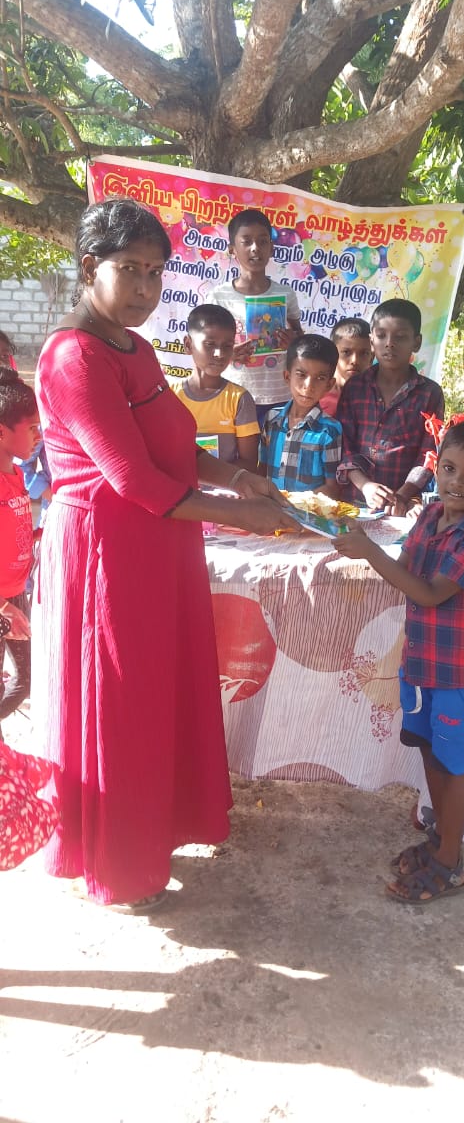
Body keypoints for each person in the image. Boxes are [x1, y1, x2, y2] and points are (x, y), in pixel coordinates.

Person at [32, 198, 297, 911]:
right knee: (121, 707)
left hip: (161, 542)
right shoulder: (73, 356)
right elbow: (133, 478)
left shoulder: (134, 347)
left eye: (155, 272)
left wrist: (237, 477)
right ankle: (118, 863)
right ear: (90, 266)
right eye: (130, 270)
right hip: (108, 553)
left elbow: (177, 444)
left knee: (159, 695)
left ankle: (155, 831)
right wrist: (248, 517)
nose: (146, 288)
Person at [334, 418, 464, 903]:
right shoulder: (430, 517)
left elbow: (429, 593)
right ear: (437, 468)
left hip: (455, 677)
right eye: (449, 468)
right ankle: (439, 842)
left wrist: (368, 552)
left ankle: (450, 863)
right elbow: (404, 567)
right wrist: (361, 542)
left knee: (453, 768)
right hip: (419, 668)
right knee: (431, 755)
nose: (456, 482)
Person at [336, 299, 444, 514]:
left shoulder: (429, 393)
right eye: (381, 335)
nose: (389, 343)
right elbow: (343, 444)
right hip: (354, 501)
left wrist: (401, 496)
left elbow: (428, 453)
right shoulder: (355, 388)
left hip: (403, 506)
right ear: (371, 341)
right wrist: (365, 486)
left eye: (400, 337)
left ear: (417, 342)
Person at [204, 208, 302, 423]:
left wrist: (293, 342)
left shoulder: (285, 294)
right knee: (237, 445)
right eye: (246, 241)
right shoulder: (218, 296)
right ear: (232, 249)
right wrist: (228, 354)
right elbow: (206, 349)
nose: (255, 248)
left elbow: (301, 339)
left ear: (271, 248)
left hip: (279, 395)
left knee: (273, 446)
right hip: (235, 394)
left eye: (263, 241)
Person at [170, 304, 259, 470]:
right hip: (181, 485)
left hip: (225, 487)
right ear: (188, 345)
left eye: (227, 346)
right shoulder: (170, 396)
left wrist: (211, 481)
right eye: (210, 344)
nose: (219, 354)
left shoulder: (239, 399)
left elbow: (249, 463)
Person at [0, 368, 39, 729]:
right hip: (2, 603)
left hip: (17, 594)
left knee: (27, 680)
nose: (38, 436)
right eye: (31, 428)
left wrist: (41, 534)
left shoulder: (17, 474)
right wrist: (3, 609)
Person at [260, 334, 342, 498]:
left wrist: (295, 503)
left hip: (308, 511)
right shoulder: (271, 419)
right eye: (301, 374)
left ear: (329, 385)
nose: (308, 386)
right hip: (270, 508)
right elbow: (262, 470)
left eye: (320, 378)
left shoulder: (329, 430)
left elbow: (332, 487)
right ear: (287, 377)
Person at [319, 317, 372, 420]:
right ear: (333, 353)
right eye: (346, 352)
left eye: (364, 353)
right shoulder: (315, 393)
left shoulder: (375, 400)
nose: (355, 360)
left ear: (371, 358)